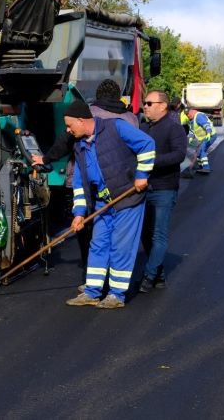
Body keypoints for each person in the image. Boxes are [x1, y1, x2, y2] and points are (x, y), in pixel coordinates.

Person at [31, 80, 137, 287]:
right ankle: (113, 280)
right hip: (124, 186)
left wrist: (45, 159)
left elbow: (65, 142)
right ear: (118, 96)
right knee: (118, 237)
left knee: (90, 234)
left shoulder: (88, 114)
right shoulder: (130, 118)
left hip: (89, 183)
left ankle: (94, 278)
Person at [62, 100, 155, 309]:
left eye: (70, 126)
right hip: (103, 203)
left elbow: (147, 144)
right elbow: (79, 184)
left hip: (127, 199)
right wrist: (78, 213)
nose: (68, 131)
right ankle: (92, 292)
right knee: (98, 244)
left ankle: (116, 295)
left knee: (120, 246)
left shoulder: (115, 128)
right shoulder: (80, 147)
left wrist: (142, 175)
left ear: (81, 120)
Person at [139, 91, 188, 292]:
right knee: (145, 233)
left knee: (159, 235)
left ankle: (149, 276)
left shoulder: (174, 128)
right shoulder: (143, 127)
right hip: (143, 188)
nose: (145, 106)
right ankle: (158, 273)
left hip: (164, 188)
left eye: (150, 103)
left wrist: (151, 161)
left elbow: (179, 155)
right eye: (145, 103)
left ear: (163, 105)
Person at [185, 106, 216, 174]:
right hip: (202, 138)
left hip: (210, 136)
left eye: (188, 113)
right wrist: (190, 137)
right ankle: (200, 166)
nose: (188, 115)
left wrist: (208, 133)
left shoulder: (199, 116)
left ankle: (206, 168)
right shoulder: (191, 120)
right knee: (198, 152)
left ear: (192, 111)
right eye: (186, 114)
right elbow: (192, 130)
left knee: (202, 150)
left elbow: (206, 125)